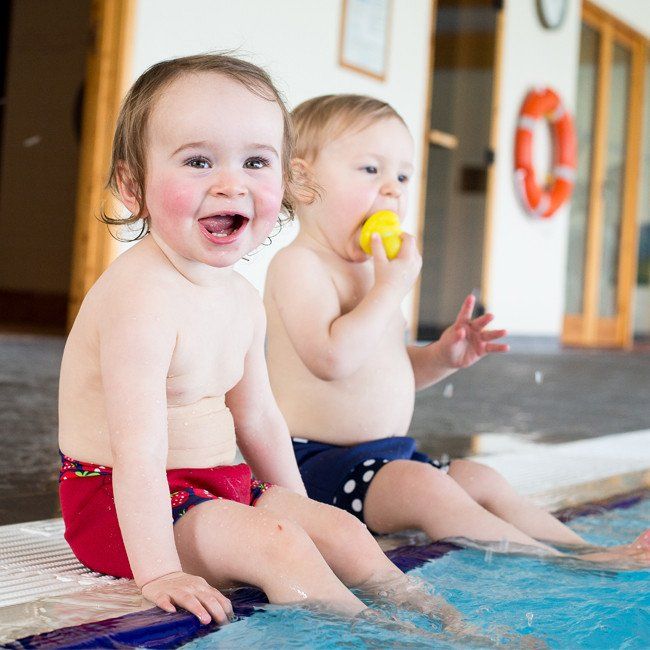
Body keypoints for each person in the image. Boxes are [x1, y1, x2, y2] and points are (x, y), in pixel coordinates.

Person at [57, 56, 469, 630]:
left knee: (342, 533)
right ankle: (388, 639)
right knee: (281, 548)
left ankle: (455, 628)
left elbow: (260, 419)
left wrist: (303, 512)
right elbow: (138, 455)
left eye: (256, 161)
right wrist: (159, 572)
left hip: (210, 487)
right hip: (117, 504)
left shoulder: (240, 298)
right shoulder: (139, 299)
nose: (232, 184)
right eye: (198, 161)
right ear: (132, 186)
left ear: (287, 183)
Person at [263, 94, 650, 565]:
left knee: (478, 477)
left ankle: (586, 547)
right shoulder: (300, 265)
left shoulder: (374, 273)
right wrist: (390, 291)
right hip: (315, 465)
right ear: (302, 182)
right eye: (370, 170)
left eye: (403, 176)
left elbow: (385, 369)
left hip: (386, 459)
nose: (392, 191)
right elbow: (331, 360)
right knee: (426, 488)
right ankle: (563, 565)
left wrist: (442, 358)